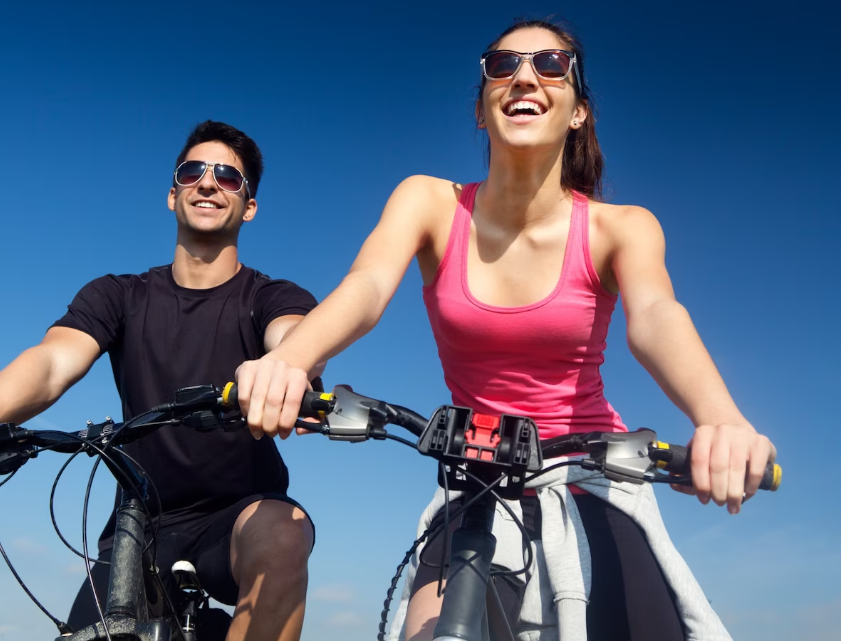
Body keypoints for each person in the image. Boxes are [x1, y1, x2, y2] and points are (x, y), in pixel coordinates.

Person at [233, 19, 777, 641]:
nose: (524, 75)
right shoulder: (429, 202)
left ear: (578, 112)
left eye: (550, 64)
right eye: (502, 63)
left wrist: (722, 419)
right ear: (482, 108)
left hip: (592, 472)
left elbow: (655, 317)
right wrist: (291, 361)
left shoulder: (621, 227)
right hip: (476, 476)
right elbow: (366, 287)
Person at [0, 120, 321, 641]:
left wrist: (287, 367)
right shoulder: (119, 295)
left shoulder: (270, 297)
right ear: (173, 195)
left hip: (240, 517)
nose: (209, 183)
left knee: (284, 535)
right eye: (193, 171)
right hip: (139, 523)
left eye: (229, 177)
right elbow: (53, 362)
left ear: (249, 206)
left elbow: (298, 340)